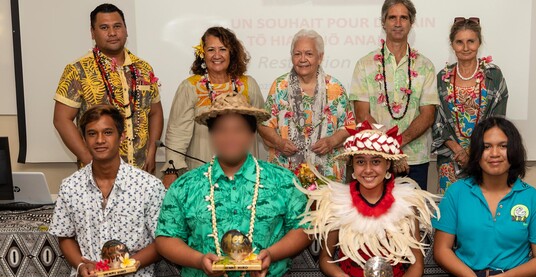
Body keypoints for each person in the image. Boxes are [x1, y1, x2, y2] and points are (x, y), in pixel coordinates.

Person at [155, 93, 310, 277]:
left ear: (251, 134)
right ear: (211, 134)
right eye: (221, 130)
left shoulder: (282, 180)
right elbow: (166, 238)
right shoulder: (186, 185)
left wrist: (271, 254)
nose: (230, 137)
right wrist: (198, 260)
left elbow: (303, 228)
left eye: (238, 129)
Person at [300, 121, 438, 277]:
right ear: (352, 168)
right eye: (360, 162)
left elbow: (417, 264)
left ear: (387, 167)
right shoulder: (337, 203)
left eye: (376, 162)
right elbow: (325, 258)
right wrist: (340, 276)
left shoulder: (405, 205)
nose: (368, 169)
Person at [49, 105, 166, 277]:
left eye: (108, 132)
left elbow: (162, 242)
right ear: (84, 138)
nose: (100, 140)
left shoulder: (149, 186)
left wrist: (120, 268)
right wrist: (82, 267)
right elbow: (65, 235)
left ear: (121, 136)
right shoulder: (70, 186)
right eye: (92, 133)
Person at [433, 117, 536, 277]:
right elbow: (441, 250)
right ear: (477, 152)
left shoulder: (531, 198)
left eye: (503, 146)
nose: (494, 153)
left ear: (514, 150)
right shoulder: (457, 193)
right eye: (487, 146)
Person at [53, 3, 163, 173]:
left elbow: (155, 112)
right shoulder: (77, 70)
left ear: (126, 29)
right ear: (93, 32)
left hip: (140, 172)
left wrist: (152, 152)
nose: (112, 33)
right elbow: (61, 120)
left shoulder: (143, 68)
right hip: (98, 173)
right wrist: (88, 159)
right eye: (104, 27)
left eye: (117, 26)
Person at [349, 0, 440, 190]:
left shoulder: (425, 66)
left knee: (413, 216)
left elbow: (428, 115)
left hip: (415, 160)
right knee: (377, 216)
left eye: (403, 18)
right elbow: (362, 114)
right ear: (383, 22)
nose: (398, 23)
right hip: (374, 160)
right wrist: (390, 150)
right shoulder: (365, 65)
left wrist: (398, 144)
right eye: (392, 17)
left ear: (411, 22)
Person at [161, 26, 264, 188]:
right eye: (211, 49)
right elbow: (177, 133)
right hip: (203, 174)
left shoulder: (248, 85)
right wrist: (171, 171)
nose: (217, 55)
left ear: (232, 53)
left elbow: (262, 125)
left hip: (245, 175)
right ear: (203, 54)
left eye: (223, 49)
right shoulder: (190, 87)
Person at [258, 29, 355, 182]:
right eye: (297, 54)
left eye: (309, 54)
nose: (303, 59)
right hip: (285, 173)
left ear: (320, 57)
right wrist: (280, 142)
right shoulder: (279, 86)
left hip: (328, 175)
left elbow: (349, 127)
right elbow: (263, 125)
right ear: (292, 57)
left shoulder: (336, 88)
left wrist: (331, 142)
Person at [432, 17, 509, 193]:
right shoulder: (442, 78)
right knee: (451, 211)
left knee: (483, 210)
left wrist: (474, 152)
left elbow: (498, 121)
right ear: (452, 44)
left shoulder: (493, 76)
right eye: (459, 42)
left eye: (471, 41)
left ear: (479, 43)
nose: (465, 48)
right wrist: (459, 150)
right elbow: (436, 123)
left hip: (486, 157)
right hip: (451, 159)